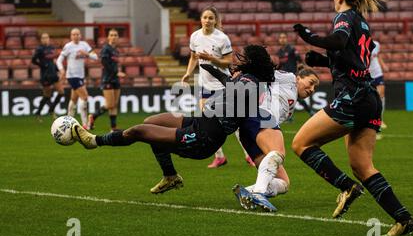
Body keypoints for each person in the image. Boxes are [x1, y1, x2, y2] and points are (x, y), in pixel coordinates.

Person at [291, 0, 413, 236]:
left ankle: (345, 187)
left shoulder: (344, 17)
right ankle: (404, 219)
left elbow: (338, 41)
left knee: (301, 143)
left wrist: (309, 36)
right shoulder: (362, 22)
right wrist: (323, 61)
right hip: (368, 98)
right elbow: (354, 61)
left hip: (351, 98)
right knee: (362, 165)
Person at [70, 45, 275, 195]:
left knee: (139, 131)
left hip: (204, 138)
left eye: (244, 57)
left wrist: (222, 73)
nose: (240, 58)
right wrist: (218, 72)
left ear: (252, 61)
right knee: (152, 120)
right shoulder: (249, 79)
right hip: (200, 122)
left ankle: (93, 141)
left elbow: (237, 91)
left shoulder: (252, 82)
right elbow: (233, 87)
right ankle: (170, 176)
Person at [204, 63, 319, 212]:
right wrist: (242, 71)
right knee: (278, 154)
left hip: (250, 130)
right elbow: (263, 69)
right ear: (298, 78)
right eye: (310, 83)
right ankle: (259, 193)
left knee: (284, 183)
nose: (312, 89)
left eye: (315, 87)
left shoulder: (291, 97)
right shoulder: (289, 78)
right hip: (260, 118)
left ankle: (248, 192)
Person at [181, 6, 254, 168]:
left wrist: (211, 58)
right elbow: (193, 57)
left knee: (234, 124)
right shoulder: (195, 36)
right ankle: (220, 157)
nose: (207, 20)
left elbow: (228, 61)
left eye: (210, 18)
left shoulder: (222, 38)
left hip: (222, 85)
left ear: (215, 21)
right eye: (205, 17)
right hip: (204, 85)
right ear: (201, 19)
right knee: (204, 123)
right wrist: (188, 73)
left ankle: (249, 155)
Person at [56, 28, 98, 129]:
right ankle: (85, 125)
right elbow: (59, 60)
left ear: (80, 35)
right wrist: (61, 70)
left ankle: (68, 122)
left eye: (77, 34)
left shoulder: (84, 45)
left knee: (74, 99)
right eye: (73, 34)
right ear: (71, 36)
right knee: (84, 97)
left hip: (80, 76)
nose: (75, 36)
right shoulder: (68, 46)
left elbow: (95, 57)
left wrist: (86, 54)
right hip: (72, 76)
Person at [88, 29, 125, 131]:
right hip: (107, 79)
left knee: (114, 104)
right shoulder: (106, 49)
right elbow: (105, 64)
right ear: (108, 37)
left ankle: (113, 128)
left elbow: (114, 64)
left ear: (117, 37)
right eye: (111, 35)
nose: (113, 37)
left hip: (115, 79)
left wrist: (117, 73)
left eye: (115, 35)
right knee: (110, 104)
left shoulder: (116, 50)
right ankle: (93, 116)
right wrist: (116, 72)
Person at [276, 32, 315, 117]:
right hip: (284, 78)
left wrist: (301, 72)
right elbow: (280, 64)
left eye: (284, 38)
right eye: (281, 38)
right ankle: (290, 115)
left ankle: (309, 111)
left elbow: (300, 60)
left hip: (292, 76)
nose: (282, 39)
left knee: (296, 96)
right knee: (287, 97)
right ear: (279, 40)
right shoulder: (279, 52)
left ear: (286, 39)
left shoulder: (291, 49)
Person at [31, 32, 64, 120]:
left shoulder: (52, 48)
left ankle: (51, 109)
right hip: (45, 75)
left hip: (53, 73)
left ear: (49, 38)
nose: (45, 39)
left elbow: (54, 60)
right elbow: (33, 60)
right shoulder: (39, 49)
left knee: (61, 92)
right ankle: (38, 112)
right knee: (47, 96)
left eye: (47, 37)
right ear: (41, 40)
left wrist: (57, 70)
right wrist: (42, 65)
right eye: (43, 38)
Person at [368, 40, 388, 138]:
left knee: (381, 95)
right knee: (371, 100)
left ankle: (380, 119)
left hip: (377, 73)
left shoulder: (376, 44)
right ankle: (372, 124)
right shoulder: (359, 45)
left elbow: (377, 55)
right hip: (367, 75)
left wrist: (383, 65)